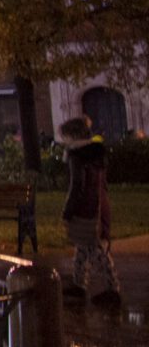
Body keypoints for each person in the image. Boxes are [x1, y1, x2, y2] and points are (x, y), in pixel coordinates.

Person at [61, 116, 121, 307]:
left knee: (94, 248)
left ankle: (112, 288)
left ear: (73, 136)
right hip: (98, 204)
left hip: (85, 209)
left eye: (66, 136)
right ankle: (79, 283)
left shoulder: (77, 156)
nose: (64, 141)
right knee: (82, 247)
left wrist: (68, 211)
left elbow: (76, 187)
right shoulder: (96, 154)